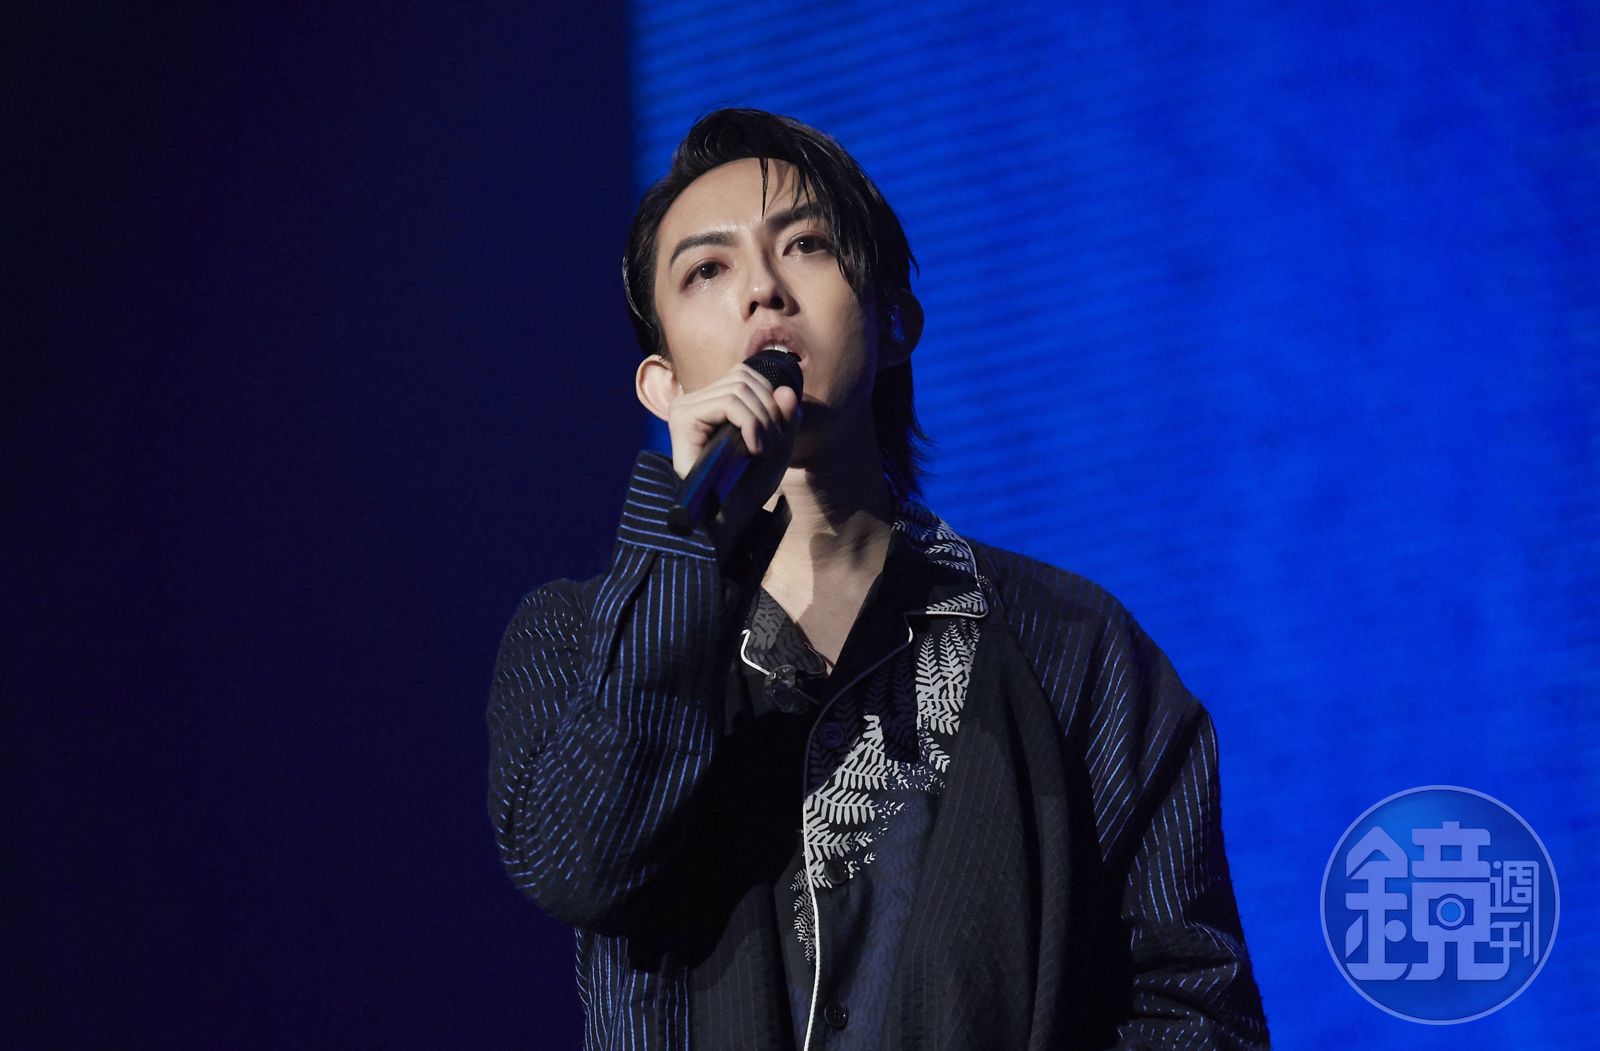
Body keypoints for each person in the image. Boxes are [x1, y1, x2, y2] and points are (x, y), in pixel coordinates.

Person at [488, 108, 1270, 1050]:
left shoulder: (1075, 644)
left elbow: (1194, 1001)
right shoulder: (574, 640)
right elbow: (578, 865)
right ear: (661, 384)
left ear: (895, 321)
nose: (763, 291)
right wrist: (691, 546)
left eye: (806, 246)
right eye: (707, 271)